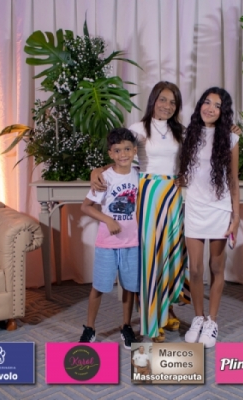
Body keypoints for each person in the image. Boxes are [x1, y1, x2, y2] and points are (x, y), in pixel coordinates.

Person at [91, 81, 188, 343]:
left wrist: (184, 177)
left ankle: (167, 311)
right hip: (148, 194)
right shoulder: (138, 129)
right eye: (162, 99)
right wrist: (97, 170)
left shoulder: (180, 131)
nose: (167, 105)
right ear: (153, 100)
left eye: (173, 102)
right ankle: (152, 320)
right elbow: (121, 161)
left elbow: (191, 160)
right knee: (151, 258)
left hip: (173, 195)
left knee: (169, 255)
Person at [179, 87, 240, 349]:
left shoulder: (231, 138)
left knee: (216, 267)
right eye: (207, 102)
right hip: (194, 207)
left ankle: (212, 321)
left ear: (223, 112)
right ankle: (198, 318)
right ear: (200, 105)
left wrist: (236, 216)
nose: (210, 108)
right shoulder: (187, 135)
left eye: (217, 105)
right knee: (194, 269)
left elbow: (234, 180)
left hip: (219, 209)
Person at [79, 127, 140, 349]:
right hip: (107, 244)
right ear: (110, 154)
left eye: (127, 149)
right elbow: (86, 207)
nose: (123, 154)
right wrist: (108, 219)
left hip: (133, 243)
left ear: (134, 150)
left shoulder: (139, 174)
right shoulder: (104, 178)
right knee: (99, 286)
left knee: (130, 287)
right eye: (118, 150)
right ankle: (89, 327)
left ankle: (126, 325)